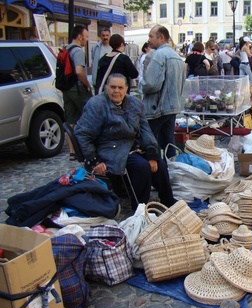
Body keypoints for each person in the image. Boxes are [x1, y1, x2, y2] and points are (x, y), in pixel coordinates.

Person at [74, 73, 176, 211]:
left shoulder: (135, 103)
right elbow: (83, 133)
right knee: (141, 166)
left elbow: (145, 130)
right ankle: (140, 209)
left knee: (160, 164)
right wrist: (94, 160)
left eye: (120, 87)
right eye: (113, 87)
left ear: (126, 89)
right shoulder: (96, 104)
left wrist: (152, 153)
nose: (117, 91)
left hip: (134, 147)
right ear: (106, 88)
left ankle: (168, 201)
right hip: (109, 149)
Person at [140, 25, 185, 159]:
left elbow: (151, 84)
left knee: (149, 143)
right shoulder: (176, 56)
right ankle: (169, 172)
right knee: (168, 144)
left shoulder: (158, 55)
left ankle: (154, 174)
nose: (149, 40)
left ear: (161, 38)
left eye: (151, 36)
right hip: (171, 107)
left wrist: (141, 83)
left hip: (157, 108)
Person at [63, 25, 92, 162]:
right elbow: (79, 71)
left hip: (66, 88)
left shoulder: (66, 49)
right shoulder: (78, 51)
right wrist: (87, 84)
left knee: (71, 120)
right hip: (78, 88)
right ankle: (88, 147)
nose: (86, 40)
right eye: (86, 37)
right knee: (90, 114)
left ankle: (72, 152)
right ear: (79, 36)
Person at [91, 28, 112, 93]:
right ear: (100, 36)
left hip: (111, 76)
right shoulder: (96, 47)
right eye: (103, 35)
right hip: (99, 77)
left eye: (107, 35)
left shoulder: (113, 47)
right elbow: (93, 61)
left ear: (110, 36)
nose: (105, 37)